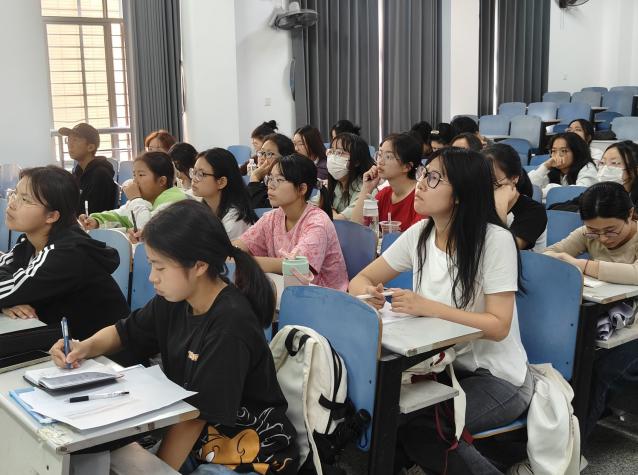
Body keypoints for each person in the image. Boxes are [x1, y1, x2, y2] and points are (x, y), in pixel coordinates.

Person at [50, 200, 299, 474]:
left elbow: (195, 419)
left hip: (252, 455)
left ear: (199, 266)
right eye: (151, 265)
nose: (152, 278)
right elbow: (124, 331)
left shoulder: (229, 324)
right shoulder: (175, 300)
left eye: (160, 267)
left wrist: (157, 470)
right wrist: (84, 347)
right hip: (199, 440)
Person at [349, 148, 532, 474]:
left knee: (427, 427)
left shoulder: (494, 241)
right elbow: (359, 280)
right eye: (424, 174)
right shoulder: (421, 233)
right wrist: (370, 295)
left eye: (433, 178)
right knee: (385, 413)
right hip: (443, 366)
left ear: (460, 194)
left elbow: (498, 326)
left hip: (498, 377)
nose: (420, 184)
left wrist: (429, 307)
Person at [543, 182, 638, 443]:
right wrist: (568, 261)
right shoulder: (588, 232)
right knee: (566, 358)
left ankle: (570, 449)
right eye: (595, 232)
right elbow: (550, 254)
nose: (603, 238)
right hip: (604, 321)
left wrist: (581, 265)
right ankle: (551, 435)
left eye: (611, 231)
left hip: (633, 331)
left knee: (601, 369)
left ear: (630, 214)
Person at [0, 166, 129, 341]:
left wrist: (9, 297)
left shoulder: (67, 254)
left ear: (52, 216)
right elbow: (8, 281)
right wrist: (7, 302)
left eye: (25, 199)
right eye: (14, 194)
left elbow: (14, 288)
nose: (12, 203)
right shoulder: (28, 243)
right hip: (64, 345)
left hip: (104, 352)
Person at [235, 155, 348, 291]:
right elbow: (241, 244)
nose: (270, 186)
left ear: (302, 189)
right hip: (288, 290)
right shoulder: (272, 217)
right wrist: (232, 252)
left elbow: (295, 266)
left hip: (323, 296)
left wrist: (242, 260)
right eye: (270, 178)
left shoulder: (318, 222)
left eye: (279, 180)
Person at [80, 151, 187, 238]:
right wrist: (96, 221)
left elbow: (147, 230)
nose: (135, 181)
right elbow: (119, 215)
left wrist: (135, 199)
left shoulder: (175, 202)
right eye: (134, 175)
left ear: (161, 181)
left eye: (141, 175)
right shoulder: (145, 199)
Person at [351, 133, 425, 232]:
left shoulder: (420, 197)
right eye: (380, 155)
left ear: (407, 166)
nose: (380, 162)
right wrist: (366, 189)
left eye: (388, 157)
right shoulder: (384, 194)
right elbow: (355, 227)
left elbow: (416, 237)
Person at [483, 144, 548, 250]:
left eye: (493, 180)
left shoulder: (534, 211)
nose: (485, 186)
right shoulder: (479, 204)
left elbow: (503, 250)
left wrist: (500, 206)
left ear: (514, 178)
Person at [191, 148, 256, 239]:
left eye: (201, 174)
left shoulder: (234, 222)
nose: (194, 179)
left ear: (221, 182)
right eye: (194, 172)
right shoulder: (203, 208)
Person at [59, 123, 118, 214]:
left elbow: (94, 213)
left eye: (75, 140)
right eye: (69, 139)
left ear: (90, 147)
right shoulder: (78, 172)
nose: (70, 145)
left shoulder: (100, 175)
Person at [528, 132, 598, 199]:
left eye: (564, 151)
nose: (558, 155)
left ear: (576, 152)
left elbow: (580, 192)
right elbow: (528, 187)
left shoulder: (588, 168)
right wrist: (545, 166)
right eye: (554, 151)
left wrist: (551, 190)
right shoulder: (551, 169)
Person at [327, 133, 377, 220]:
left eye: (339, 152)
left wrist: (325, 206)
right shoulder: (336, 185)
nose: (332, 157)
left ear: (356, 161)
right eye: (331, 151)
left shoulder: (367, 188)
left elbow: (340, 220)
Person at [246, 133, 295, 209]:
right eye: (261, 152)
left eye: (269, 154)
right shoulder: (265, 179)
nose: (262, 157)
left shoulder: (285, 182)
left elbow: (261, 210)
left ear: (285, 158)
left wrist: (254, 178)